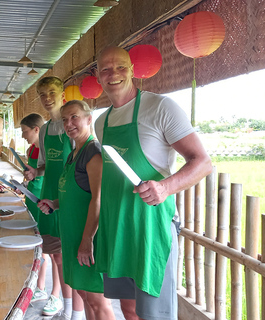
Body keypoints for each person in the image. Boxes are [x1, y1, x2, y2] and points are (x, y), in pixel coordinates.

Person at [94, 46, 212, 320]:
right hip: (117, 227)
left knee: (154, 314)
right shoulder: (102, 122)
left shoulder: (160, 107)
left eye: (121, 67)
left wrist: (165, 187)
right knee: (128, 307)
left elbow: (202, 162)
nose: (114, 74)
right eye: (106, 69)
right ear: (98, 76)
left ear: (133, 70)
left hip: (150, 228)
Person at [38, 100, 116, 320]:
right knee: (85, 295)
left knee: (99, 302)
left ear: (89, 119)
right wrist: (54, 203)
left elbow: (98, 199)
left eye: (74, 117)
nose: (69, 123)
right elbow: (74, 193)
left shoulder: (93, 152)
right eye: (65, 119)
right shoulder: (74, 152)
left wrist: (87, 240)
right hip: (72, 237)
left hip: (88, 240)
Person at [23, 77, 84, 319]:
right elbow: (45, 166)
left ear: (62, 94)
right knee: (55, 253)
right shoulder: (46, 129)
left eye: (51, 92)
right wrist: (33, 172)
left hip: (68, 197)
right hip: (49, 195)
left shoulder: (72, 128)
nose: (47, 98)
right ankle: (60, 300)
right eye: (42, 94)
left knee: (68, 256)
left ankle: (64, 302)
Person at [19, 113, 61, 306]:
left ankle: (56, 294)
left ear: (37, 130)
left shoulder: (47, 148)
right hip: (35, 196)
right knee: (42, 245)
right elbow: (37, 171)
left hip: (48, 198)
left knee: (55, 251)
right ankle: (41, 287)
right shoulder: (31, 150)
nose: (22, 135)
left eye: (25, 131)